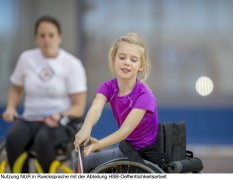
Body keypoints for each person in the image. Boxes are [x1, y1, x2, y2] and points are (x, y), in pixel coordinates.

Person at [2, 15, 87, 173]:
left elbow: (79, 107)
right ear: (36, 38)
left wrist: (60, 114)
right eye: (42, 35)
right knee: (12, 138)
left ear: (59, 37)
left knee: (43, 140)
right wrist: (11, 107)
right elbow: (16, 88)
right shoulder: (26, 59)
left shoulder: (72, 64)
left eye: (51, 35)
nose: (47, 40)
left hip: (61, 122)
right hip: (30, 119)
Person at [74, 32, 158, 172]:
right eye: (122, 57)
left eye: (133, 60)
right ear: (113, 60)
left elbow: (124, 132)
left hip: (141, 155)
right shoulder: (108, 87)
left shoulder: (145, 95)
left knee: (83, 163)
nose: (127, 62)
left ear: (141, 66)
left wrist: (98, 144)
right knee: (80, 162)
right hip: (126, 149)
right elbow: (96, 107)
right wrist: (86, 129)